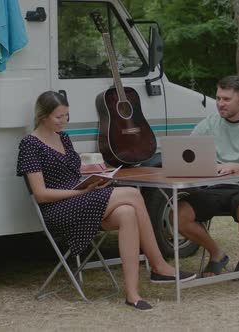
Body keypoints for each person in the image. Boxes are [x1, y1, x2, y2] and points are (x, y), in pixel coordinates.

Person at [17, 91, 196, 311]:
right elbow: (41, 194)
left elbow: (72, 171)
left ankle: (132, 294)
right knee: (132, 194)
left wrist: (98, 175)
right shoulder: (29, 144)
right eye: (58, 117)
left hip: (81, 199)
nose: (64, 121)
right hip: (58, 209)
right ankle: (159, 266)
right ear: (42, 116)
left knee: (128, 214)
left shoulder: (62, 137)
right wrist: (80, 193)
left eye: (66, 116)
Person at [174, 76, 239, 278]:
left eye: (226, 99)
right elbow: (187, 156)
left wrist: (232, 166)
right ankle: (217, 254)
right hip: (214, 187)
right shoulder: (208, 124)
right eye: (218, 98)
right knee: (177, 215)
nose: (220, 104)